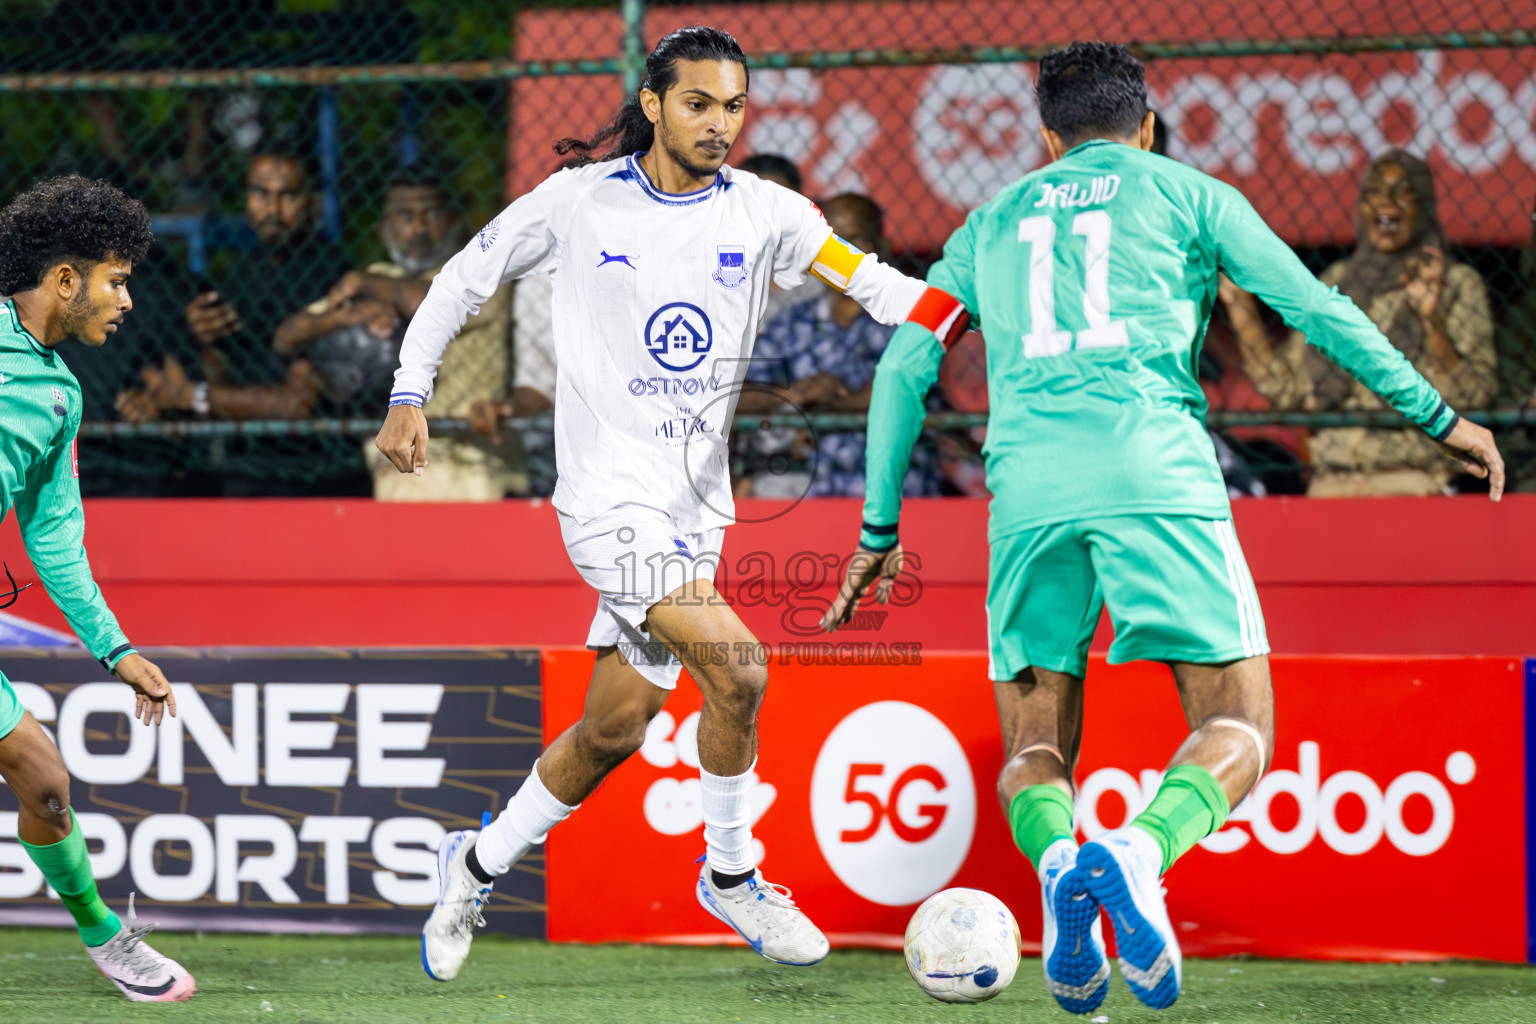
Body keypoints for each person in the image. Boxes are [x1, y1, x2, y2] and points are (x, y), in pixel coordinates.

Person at [821, 43, 1503, 1015]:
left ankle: (1062, 859)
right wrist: (1439, 417)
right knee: (1239, 725)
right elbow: (1315, 307)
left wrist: (878, 530)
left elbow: (901, 369)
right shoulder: (1191, 194)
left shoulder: (989, 223)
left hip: (1026, 492)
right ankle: (1138, 855)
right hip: (1154, 469)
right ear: (1144, 125)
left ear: (1047, 136)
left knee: (1036, 742)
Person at [375, 26, 966, 982]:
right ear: (653, 104)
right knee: (739, 670)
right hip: (607, 505)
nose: (719, 124)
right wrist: (411, 390)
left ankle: (473, 864)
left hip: (696, 515)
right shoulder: (578, 203)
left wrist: (965, 313)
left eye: (733, 107)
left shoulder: (766, 213)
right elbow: (462, 280)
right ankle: (731, 874)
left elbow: (873, 285)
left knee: (614, 728)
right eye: (698, 103)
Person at [0, 175, 194, 1002]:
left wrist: (116, 648)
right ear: (67, 279)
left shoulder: (60, 396)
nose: (125, 299)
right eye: (116, 279)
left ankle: (107, 940)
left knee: (43, 780)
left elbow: (53, 538)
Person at [1223, 151, 1497, 496]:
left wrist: (1432, 320)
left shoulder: (1457, 283)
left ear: (1424, 205)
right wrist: (1241, 308)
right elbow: (1287, 390)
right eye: (1374, 192)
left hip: (1414, 481)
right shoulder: (1336, 281)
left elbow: (1474, 394)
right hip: (1331, 482)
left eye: (1402, 191)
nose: (1386, 203)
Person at [292, 171, 522, 501]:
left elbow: (434, 302)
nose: (419, 228)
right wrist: (345, 316)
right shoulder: (377, 277)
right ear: (384, 229)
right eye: (405, 215)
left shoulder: (485, 274)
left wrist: (364, 286)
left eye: (433, 214)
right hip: (396, 472)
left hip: (475, 466)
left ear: (455, 220)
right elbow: (288, 336)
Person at [738, 192, 942, 498]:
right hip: (810, 484)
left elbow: (894, 392)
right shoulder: (795, 322)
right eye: (830, 242)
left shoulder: (909, 315)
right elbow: (738, 395)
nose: (839, 253)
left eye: (853, 240)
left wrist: (821, 407)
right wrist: (795, 394)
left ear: (875, 247)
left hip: (894, 485)